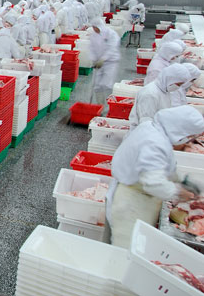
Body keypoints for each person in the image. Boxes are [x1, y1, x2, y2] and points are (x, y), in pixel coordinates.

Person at [108, 106, 204, 248]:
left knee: (138, 248)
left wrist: (182, 180)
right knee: (128, 251)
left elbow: (160, 167)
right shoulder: (155, 142)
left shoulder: (154, 128)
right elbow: (153, 183)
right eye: (189, 136)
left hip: (139, 196)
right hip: (132, 203)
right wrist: (178, 192)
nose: (188, 141)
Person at [129, 64, 190, 129]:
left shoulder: (165, 91)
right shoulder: (150, 94)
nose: (178, 87)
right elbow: (146, 123)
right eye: (178, 84)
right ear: (170, 79)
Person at [87, 18, 121, 104]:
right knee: (97, 85)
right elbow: (91, 48)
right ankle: (100, 105)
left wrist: (103, 59)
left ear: (100, 26)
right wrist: (94, 59)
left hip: (111, 62)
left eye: (95, 27)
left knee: (106, 84)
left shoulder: (111, 34)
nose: (94, 29)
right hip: (98, 63)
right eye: (93, 27)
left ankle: (110, 105)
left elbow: (112, 48)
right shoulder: (93, 36)